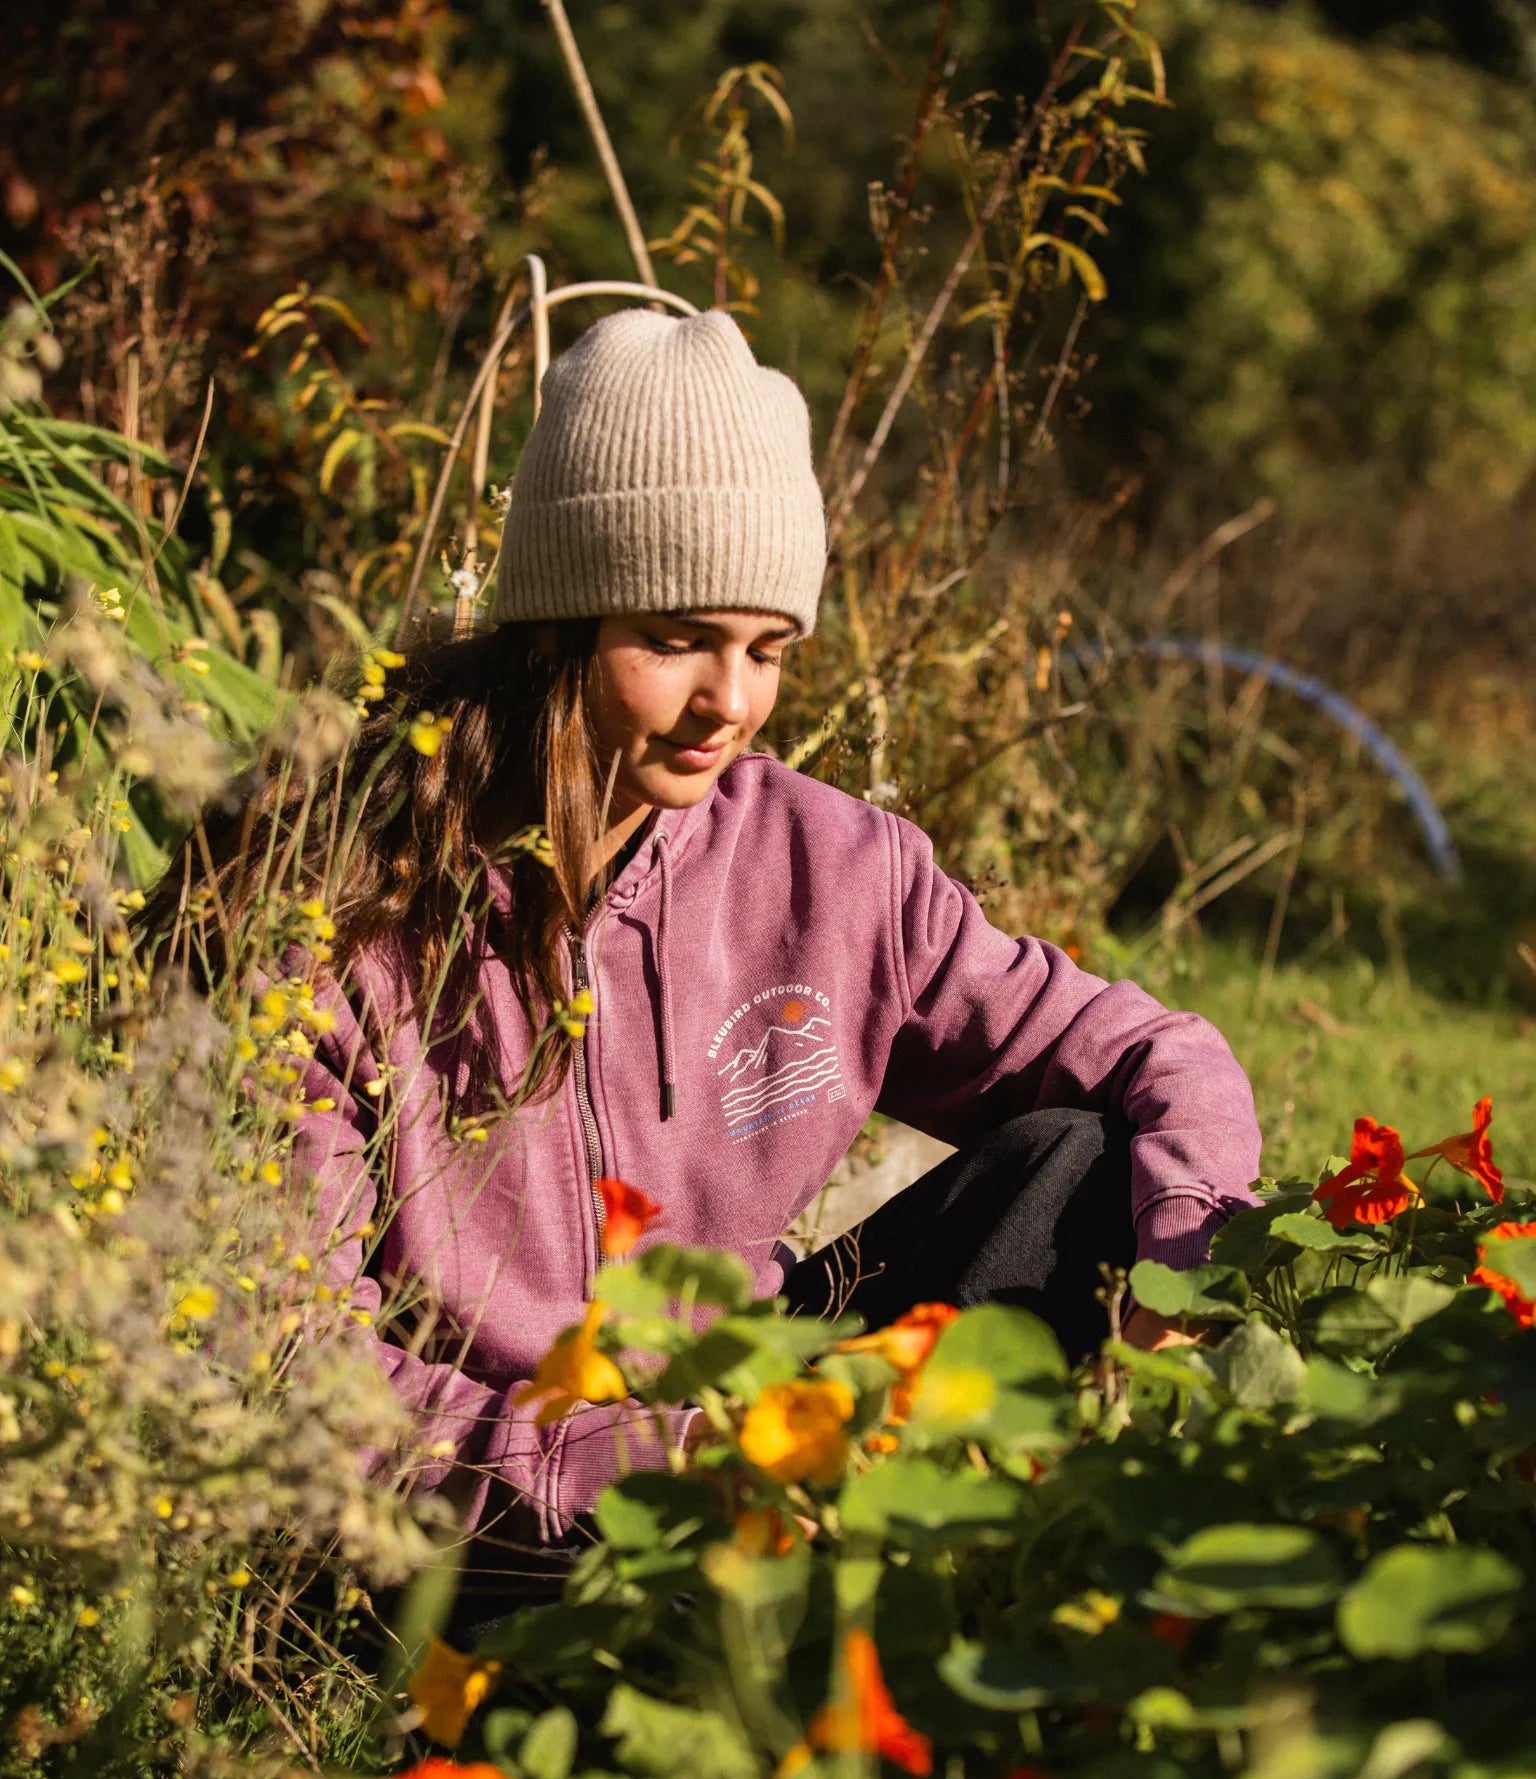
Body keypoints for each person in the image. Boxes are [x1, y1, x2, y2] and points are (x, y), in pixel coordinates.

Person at [161, 308, 1261, 1552]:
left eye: (766, 649)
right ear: (558, 628)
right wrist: (646, 1463)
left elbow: (1149, 1046)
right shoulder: (352, 906)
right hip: (482, 1505)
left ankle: (981, 1564)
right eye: (675, 640)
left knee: (1078, 1162)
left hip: (754, 1416)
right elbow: (292, 1359)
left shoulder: (832, 865)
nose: (726, 704)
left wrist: (1182, 1256)